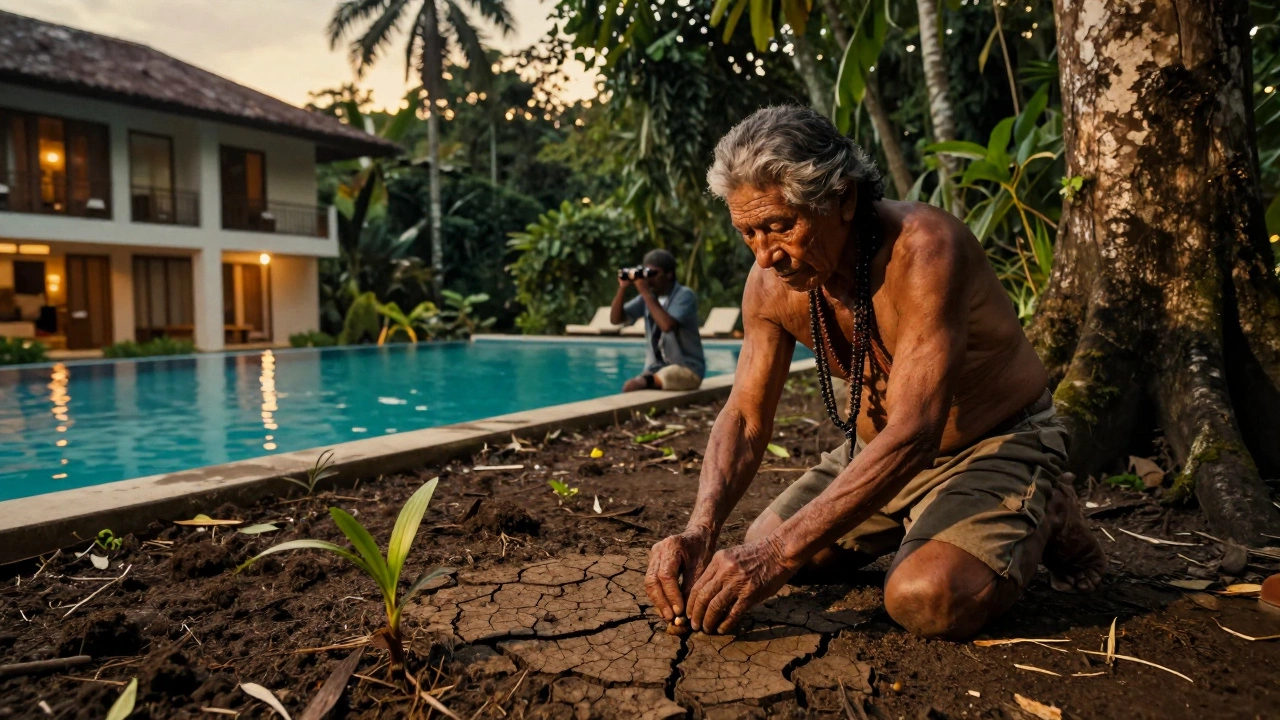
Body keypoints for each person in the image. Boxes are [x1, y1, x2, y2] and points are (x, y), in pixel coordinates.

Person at [644, 106, 1107, 640]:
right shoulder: (769, 282)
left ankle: (1047, 508)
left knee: (926, 599)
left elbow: (915, 432)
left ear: (844, 198)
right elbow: (746, 417)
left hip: (991, 444)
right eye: (748, 232)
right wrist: (701, 529)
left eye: (780, 225)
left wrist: (774, 555)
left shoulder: (926, 249)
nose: (766, 255)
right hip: (874, 453)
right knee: (769, 543)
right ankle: (923, 522)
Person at [611, 248, 707, 393]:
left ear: (669, 274)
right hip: (656, 369)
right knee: (631, 387)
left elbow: (667, 325)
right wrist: (622, 288)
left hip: (687, 370)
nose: (649, 279)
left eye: (653, 273)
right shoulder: (648, 298)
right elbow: (616, 319)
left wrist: (644, 291)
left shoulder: (684, 295)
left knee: (633, 386)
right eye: (646, 273)